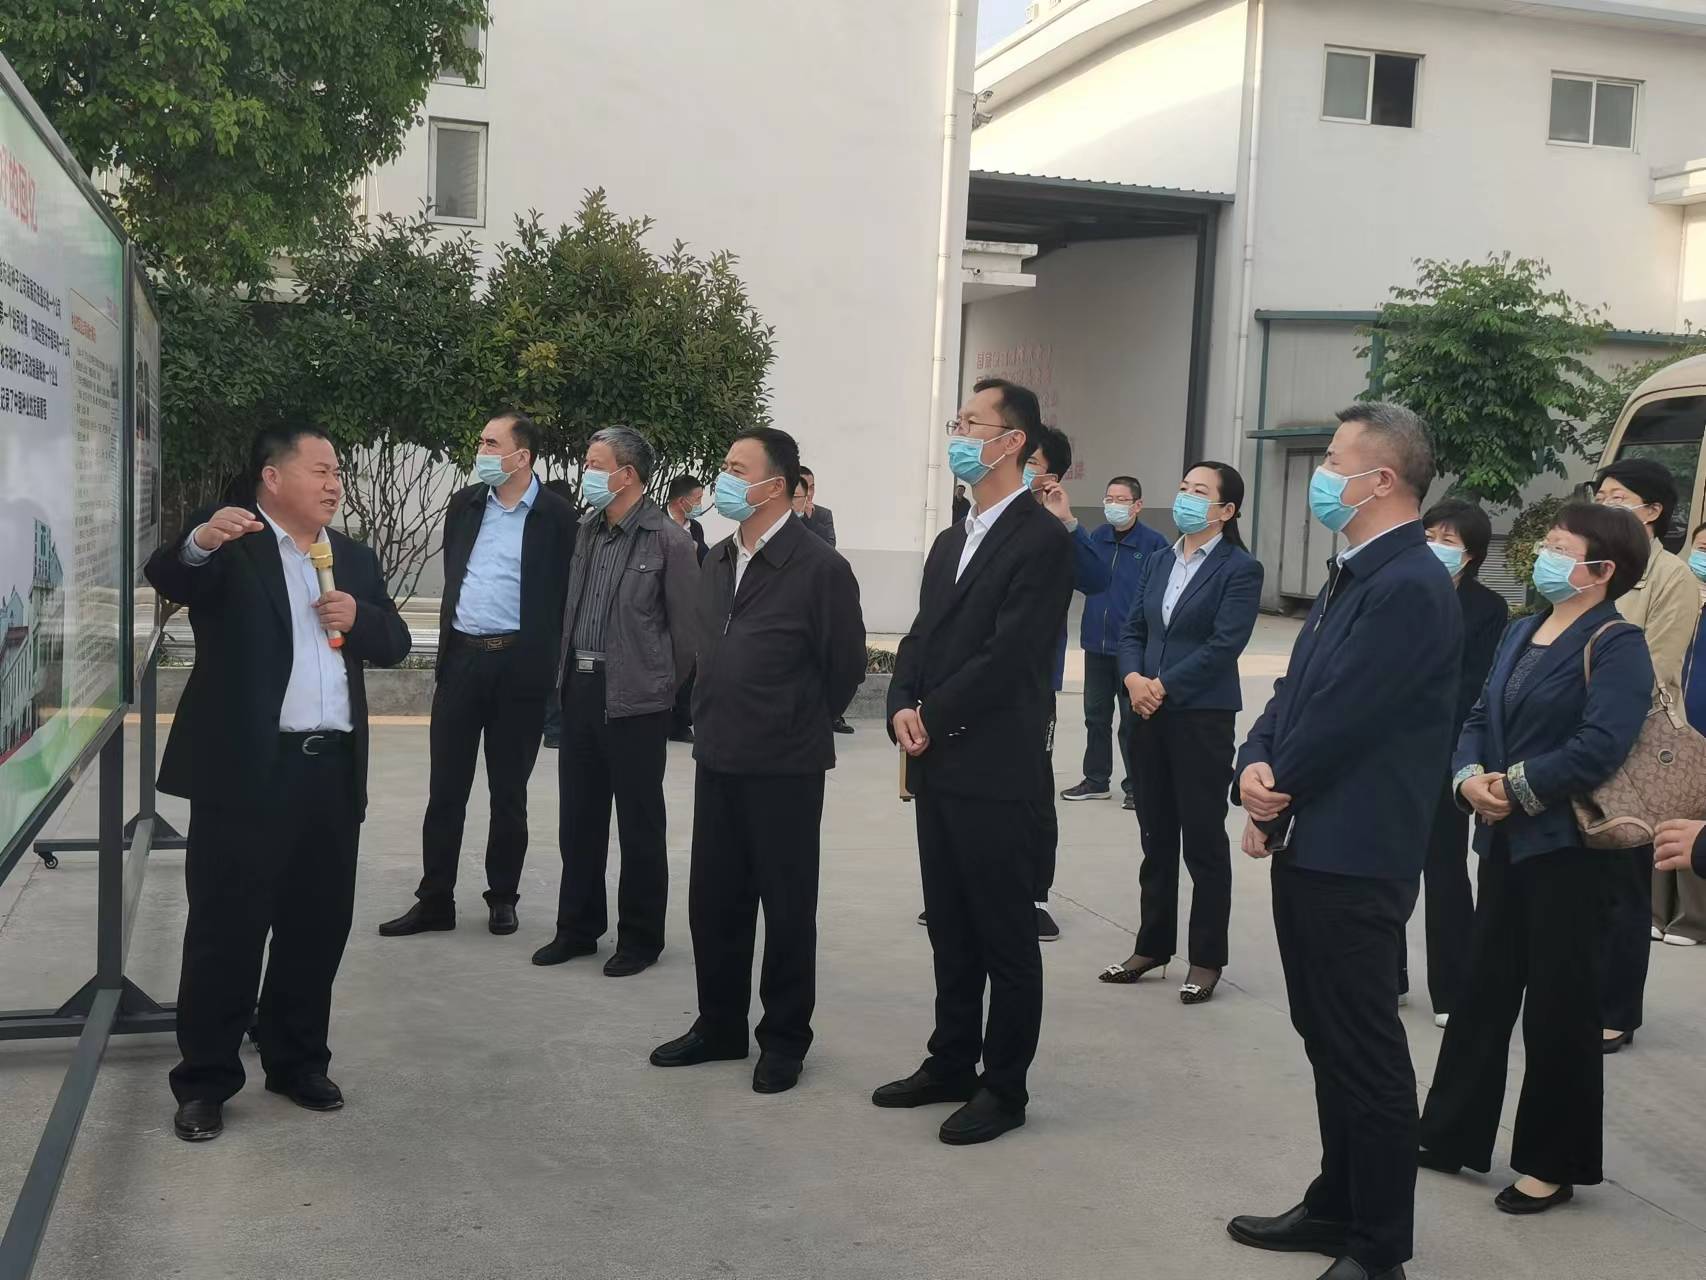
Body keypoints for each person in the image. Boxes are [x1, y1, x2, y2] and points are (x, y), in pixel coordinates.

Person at [1225, 403, 1461, 1280]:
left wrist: (1272, 795)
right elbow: (1294, 692)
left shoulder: (1409, 585)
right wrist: (1252, 761)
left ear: (1381, 479)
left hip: (1358, 853)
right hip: (1317, 842)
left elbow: (1344, 717)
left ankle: (1378, 1247)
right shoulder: (1354, 573)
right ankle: (1336, 1205)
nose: (1322, 475)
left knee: (1364, 1052)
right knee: (1325, 1036)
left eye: (1333, 460)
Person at [144, 426, 411, 1142]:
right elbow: (171, 576)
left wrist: (360, 618)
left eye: (337, 473)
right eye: (319, 470)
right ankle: (205, 1081)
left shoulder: (351, 556)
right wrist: (198, 541)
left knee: (316, 926)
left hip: (330, 770)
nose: (333, 484)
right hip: (248, 772)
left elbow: (395, 643)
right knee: (226, 930)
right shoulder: (234, 544)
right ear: (272, 476)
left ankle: (296, 1061)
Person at [1417, 501, 1653, 1217]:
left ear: (1602, 569)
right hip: (1505, 842)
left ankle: (1552, 1162)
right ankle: (1450, 1132)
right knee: (1483, 991)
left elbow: (1599, 746)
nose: (1543, 557)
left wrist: (1513, 789)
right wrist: (1468, 779)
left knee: (1559, 1005)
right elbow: (1478, 715)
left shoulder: (1618, 643)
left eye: (1558, 547)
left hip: (1569, 850)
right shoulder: (1523, 629)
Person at [873, 377, 1074, 1146]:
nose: (957, 435)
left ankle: (1004, 1087)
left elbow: (1007, 654)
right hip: (938, 764)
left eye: (971, 423)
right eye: (956, 422)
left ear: (1013, 441)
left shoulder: (1041, 541)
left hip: (996, 765)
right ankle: (951, 1061)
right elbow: (923, 635)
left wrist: (932, 713)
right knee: (950, 927)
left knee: (1003, 936)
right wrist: (902, 699)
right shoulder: (952, 539)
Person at [648, 429, 866, 1094]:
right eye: (725, 466)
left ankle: (785, 1038)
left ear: (777, 484)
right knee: (715, 900)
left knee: (787, 906)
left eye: (738, 469)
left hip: (786, 765)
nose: (725, 479)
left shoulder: (819, 567)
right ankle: (719, 1025)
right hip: (718, 753)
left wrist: (793, 718)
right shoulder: (717, 558)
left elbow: (844, 667)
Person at [378, 413, 576, 940]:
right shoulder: (464, 504)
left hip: (519, 668)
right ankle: (434, 899)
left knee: (508, 793)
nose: (482, 451)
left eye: (492, 444)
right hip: (462, 660)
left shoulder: (557, 516)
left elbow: (564, 595)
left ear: (521, 457)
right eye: (482, 443)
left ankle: (502, 897)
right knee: (445, 789)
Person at [534, 427, 698, 977]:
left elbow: (687, 635)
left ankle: (641, 938)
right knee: (578, 819)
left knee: (639, 822)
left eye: (595, 464)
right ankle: (577, 929)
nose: (587, 472)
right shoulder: (587, 529)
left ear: (627, 475)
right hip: (580, 690)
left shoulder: (668, 540)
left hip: (636, 700)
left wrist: (657, 688)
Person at [1100, 462, 1261, 1005]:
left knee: (1203, 839)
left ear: (1226, 510)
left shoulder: (1240, 569)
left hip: (1200, 717)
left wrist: (1162, 685)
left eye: (1200, 492)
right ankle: (1152, 946)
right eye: (1185, 488)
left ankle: (1206, 958)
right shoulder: (1159, 559)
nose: (1187, 497)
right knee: (1156, 834)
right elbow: (1133, 629)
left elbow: (1224, 645)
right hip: (1146, 713)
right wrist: (1132, 679)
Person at [1592, 458, 1694, 1047]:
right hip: (1582, 737)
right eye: (1600, 494)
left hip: (1635, 744)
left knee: (1624, 884)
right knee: (1584, 881)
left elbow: (1659, 668)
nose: (1604, 504)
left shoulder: (1670, 576)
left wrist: (1595, 708)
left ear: (1652, 510)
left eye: (1617, 496)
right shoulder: (1596, 564)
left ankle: (1616, 1011)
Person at [1399, 500, 1508, 1026]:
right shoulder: (1399, 588)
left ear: (1471, 554)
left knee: (1444, 870)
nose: (1436, 546)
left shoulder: (1487, 607)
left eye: (1449, 540)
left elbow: (1475, 685)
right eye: (1429, 535)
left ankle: (1452, 989)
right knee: (1387, 867)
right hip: (1389, 750)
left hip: (1444, 752)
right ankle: (1388, 978)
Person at [1027, 425, 1111, 940]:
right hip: (966, 686)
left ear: (1052, 476)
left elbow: (1097, 580)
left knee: (1032, 791)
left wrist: (1068, 523)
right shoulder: (977, 522)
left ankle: (1033, 895)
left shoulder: (1055, 530)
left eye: (1031, 462)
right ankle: (958, 889)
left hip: (1030, 687)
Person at [1062, 475, 1168, 810]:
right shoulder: (1097, 537)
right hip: (1096, 642)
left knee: (1132, 720)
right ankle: (1096, 780)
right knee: (1095, 716)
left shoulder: (1154, 544)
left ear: (1138, 505)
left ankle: (1137, 785)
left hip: (1132, 648)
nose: (1114, 505)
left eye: (1122, 500)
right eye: (1109, 498)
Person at [664, 474, 710, 745]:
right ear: (681, 501)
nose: (700, 503)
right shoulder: (657, 523)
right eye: (697, 498)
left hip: (689, 601)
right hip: (662, 599)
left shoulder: (695, 528)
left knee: (688, 658)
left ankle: (681, 721)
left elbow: (704, 557)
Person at [539, 477, 580, 750]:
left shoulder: (541, 526)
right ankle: (554, 728)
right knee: (558, 671)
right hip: (563, 612)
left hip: (548, 612)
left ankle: (551, 726)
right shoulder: (574, 529)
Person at [797, 465, 836, 546]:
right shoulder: (782, 512)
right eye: (805, 487)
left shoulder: (824, 514)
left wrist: (811, 520)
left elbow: (830, 547)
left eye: (811, 488)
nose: (809, 493)